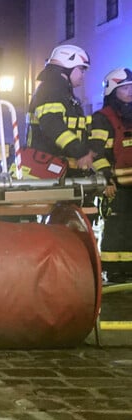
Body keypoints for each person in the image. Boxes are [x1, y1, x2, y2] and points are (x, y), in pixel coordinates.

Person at [20, 44, 95, 179]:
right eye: (81, 69)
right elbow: (52, 125)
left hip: (54, 167)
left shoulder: (59, 91)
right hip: (46, 168)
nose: (83, 75)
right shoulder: (52, 89)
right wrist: (80, 151)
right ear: (67, 67)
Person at [89, 67, 132, 283]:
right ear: (113, 91)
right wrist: (106, 179)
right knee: (117, 228)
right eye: (125, 87)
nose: (130, 91)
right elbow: (96, 152)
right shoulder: (102, 118)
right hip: (116, 185)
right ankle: (114, 270)